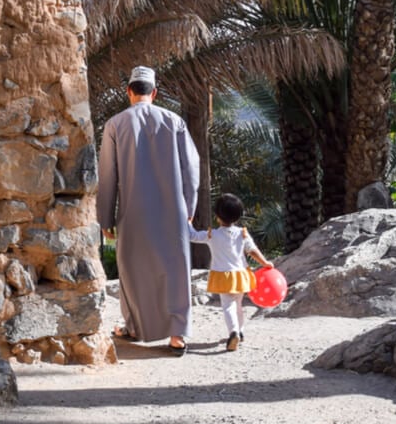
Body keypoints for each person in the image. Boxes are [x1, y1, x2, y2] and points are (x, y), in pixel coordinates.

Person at [97, 65, 200, 356]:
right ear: (154, 92)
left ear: (129, 91)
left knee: (133, 270)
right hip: (173, 212)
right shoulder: (175, 121)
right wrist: (189, 207)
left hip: (133, 213)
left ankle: (134, 327)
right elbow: (191, 169)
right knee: (175, 269)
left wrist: (105, 217)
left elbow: (108, 175)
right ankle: (178, 335)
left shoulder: (115, 124)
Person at [187, 193, 273, 351]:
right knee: (238, 304)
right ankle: (240, 331)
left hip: (223, 276)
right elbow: (252, 251)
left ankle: (233, 332)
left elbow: (191, 236)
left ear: (217, 216)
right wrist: (265, 263)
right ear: (239, 216)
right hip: (241, 275)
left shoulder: (212, 235)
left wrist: (188, 223)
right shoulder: (242, 233)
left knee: (228, 306)